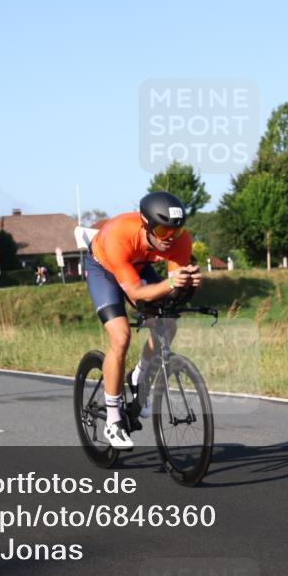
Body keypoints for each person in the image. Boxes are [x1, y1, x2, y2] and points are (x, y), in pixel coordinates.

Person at [84, 191, 203, 450]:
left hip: (136, 266)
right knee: (121, 336)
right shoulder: (119, 236)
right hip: (103, 268)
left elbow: (172, 292)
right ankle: (113, 420)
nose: (170, 238)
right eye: (162, 231)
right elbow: (136, 292)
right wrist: (171, 282)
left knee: (168, 324)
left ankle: (139, 375)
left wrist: (187, 284)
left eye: (176, 230)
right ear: (146, 225)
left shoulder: (179, 241)